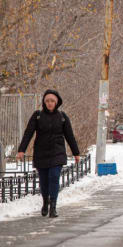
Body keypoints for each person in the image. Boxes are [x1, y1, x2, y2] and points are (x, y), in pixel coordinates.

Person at [17, 89, 80, 218]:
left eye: (52, 101)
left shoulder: (62, 117)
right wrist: (21, 150)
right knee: (44, 181)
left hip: (57, 152)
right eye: (47, 101)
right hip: (41, 152)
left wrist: (76, 153)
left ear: (57, 102)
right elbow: (28, 133)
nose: (50, 103)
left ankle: (53, 206)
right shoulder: (37, 115)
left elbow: (70, 136)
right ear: (44, 102)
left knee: (54, 177)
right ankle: (45, 202)